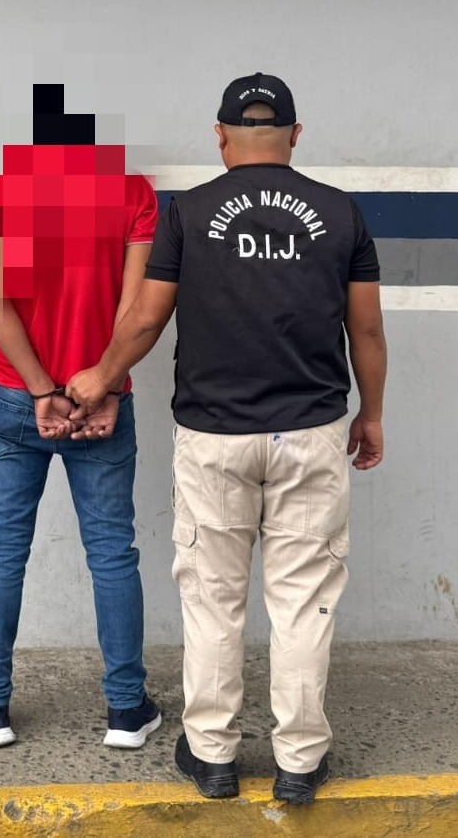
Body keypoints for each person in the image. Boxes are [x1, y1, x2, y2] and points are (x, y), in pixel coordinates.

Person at [66, 72, 387, 804]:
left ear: (220, 137)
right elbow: (366, 329)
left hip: (213, 437)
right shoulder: (341, 213)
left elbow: (146, 318)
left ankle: (213, 756)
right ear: (295, 135)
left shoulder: (189, 212)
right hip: (309, 433)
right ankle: (299, 762)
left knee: (213, 599)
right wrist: (370, 414)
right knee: (304, 602)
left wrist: (101, 377)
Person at [0, 97, 162, 750]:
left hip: (16, 398)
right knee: (113, 552)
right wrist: (105, 384)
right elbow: (136, 308)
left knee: (1, 550)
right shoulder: (132, 193)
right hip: (103, 400)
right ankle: (126, 710)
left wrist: (42, 388)